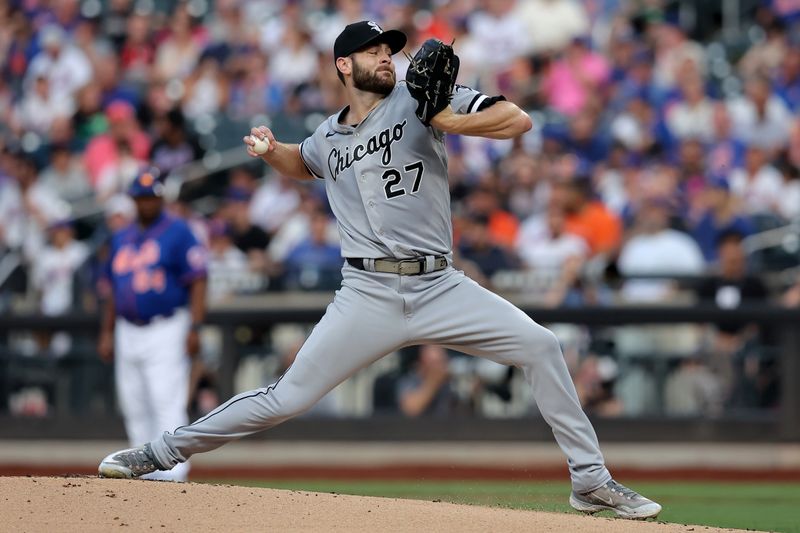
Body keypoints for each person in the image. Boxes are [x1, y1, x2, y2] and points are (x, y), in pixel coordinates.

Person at [98, 21, 661, 519]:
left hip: (439, 283)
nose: (387, 56)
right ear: (345, 65)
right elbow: (308, 160)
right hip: (365, 291)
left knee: (541, 346)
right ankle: (161, 451)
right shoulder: (328, 135)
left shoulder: (420, 100)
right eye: (374, 51)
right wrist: (273, 153)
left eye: (391, 49)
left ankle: (589, 481)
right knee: (287, 397)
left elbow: (517, 120)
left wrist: (445, 118)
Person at [97, 170, 208, 482]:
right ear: (133, 199)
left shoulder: (178, 231)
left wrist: (196, 327)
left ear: (160, 198)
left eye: (151, 197)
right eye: (141, 197)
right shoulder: (122, 236)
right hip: (127, 328)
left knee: (165, 399)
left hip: (167, 325)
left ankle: (175, 472)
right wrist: (106, 333)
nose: (146, 203)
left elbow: (198, 279)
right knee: (133, 402)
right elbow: (111, 289)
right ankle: (140, 471)